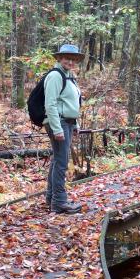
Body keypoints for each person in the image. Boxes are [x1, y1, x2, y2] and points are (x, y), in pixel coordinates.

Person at [44, 43, 83, 214]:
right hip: (58, 122)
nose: (71, 61)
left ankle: (51, 197)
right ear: (59, 58)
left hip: (67, 122)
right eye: (67, 58)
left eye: (73, 59)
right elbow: (50, 104)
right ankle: (59, 202)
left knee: (57, 160)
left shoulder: (69, 76)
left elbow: (71, 103)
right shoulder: (55, 76)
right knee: (61, 163)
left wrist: (75, 124)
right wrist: (57, 128)